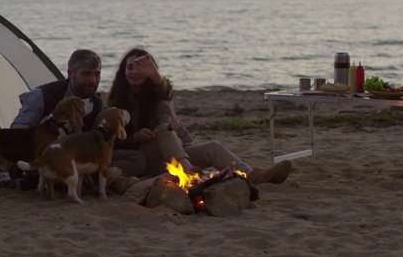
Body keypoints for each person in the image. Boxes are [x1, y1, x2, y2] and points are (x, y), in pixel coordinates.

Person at [107, 48, 292, 185]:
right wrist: (135, 136)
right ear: (123, 72)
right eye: (130, 67)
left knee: (213, 147)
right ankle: (190, 173)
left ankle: (251, 175)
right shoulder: (116, 102)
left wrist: (155, 75)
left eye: (141, 67)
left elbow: (166, 90)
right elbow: (112, 142)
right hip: (146, 159)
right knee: (164, 129)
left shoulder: (158, 95)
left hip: (177, 153)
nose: (135, 71)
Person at [11, 49, 144, 194]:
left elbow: (110, 140)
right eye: (86, 73)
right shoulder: (43, 95)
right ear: (70, 74)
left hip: (83, 157)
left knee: (137, 159)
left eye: (97, 74)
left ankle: (86, 178)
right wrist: (43, 128)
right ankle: (91, 179)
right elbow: (16, 133)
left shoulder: (98, 104)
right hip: (49, 157)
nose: (93, 80)